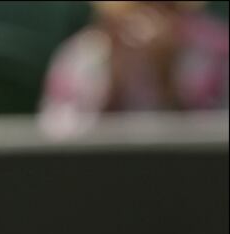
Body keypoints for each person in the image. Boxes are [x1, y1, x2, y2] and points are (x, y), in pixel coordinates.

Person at [41, 1, 229, 135]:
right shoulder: (82, 56)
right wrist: (114, 82)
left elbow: (215, 140)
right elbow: (59, 147)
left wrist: (167, 73)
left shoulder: (217, 50)